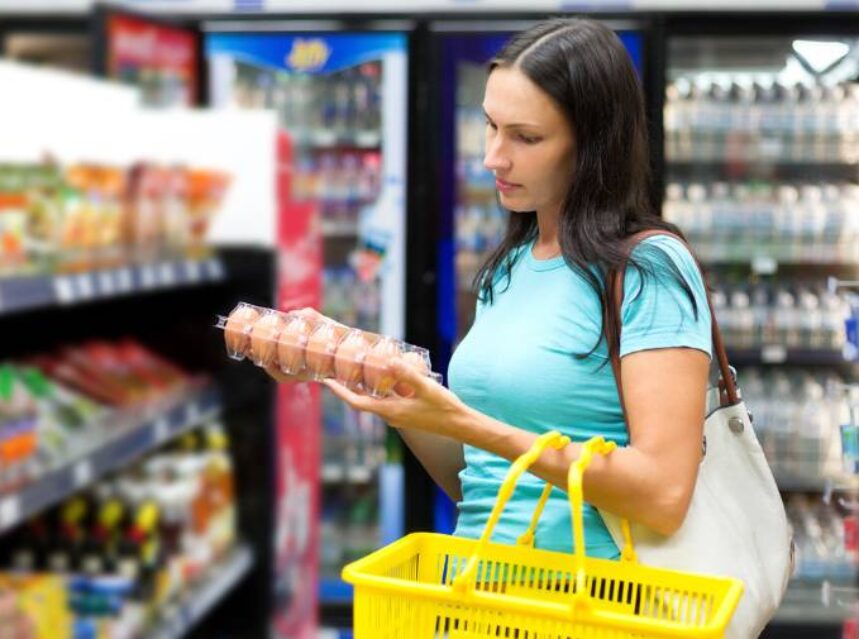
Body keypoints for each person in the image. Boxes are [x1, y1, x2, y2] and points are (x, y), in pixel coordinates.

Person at [266, 17, 712, 559]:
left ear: (594, 145)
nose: (493, 158)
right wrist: (379, 379)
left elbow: (664, 494)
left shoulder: (648, 269)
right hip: (478, 595)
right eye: (490, 126)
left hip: (590, 604)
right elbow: (477, 481)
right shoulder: (509, 267)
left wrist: (468, 423)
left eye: (525, 137)